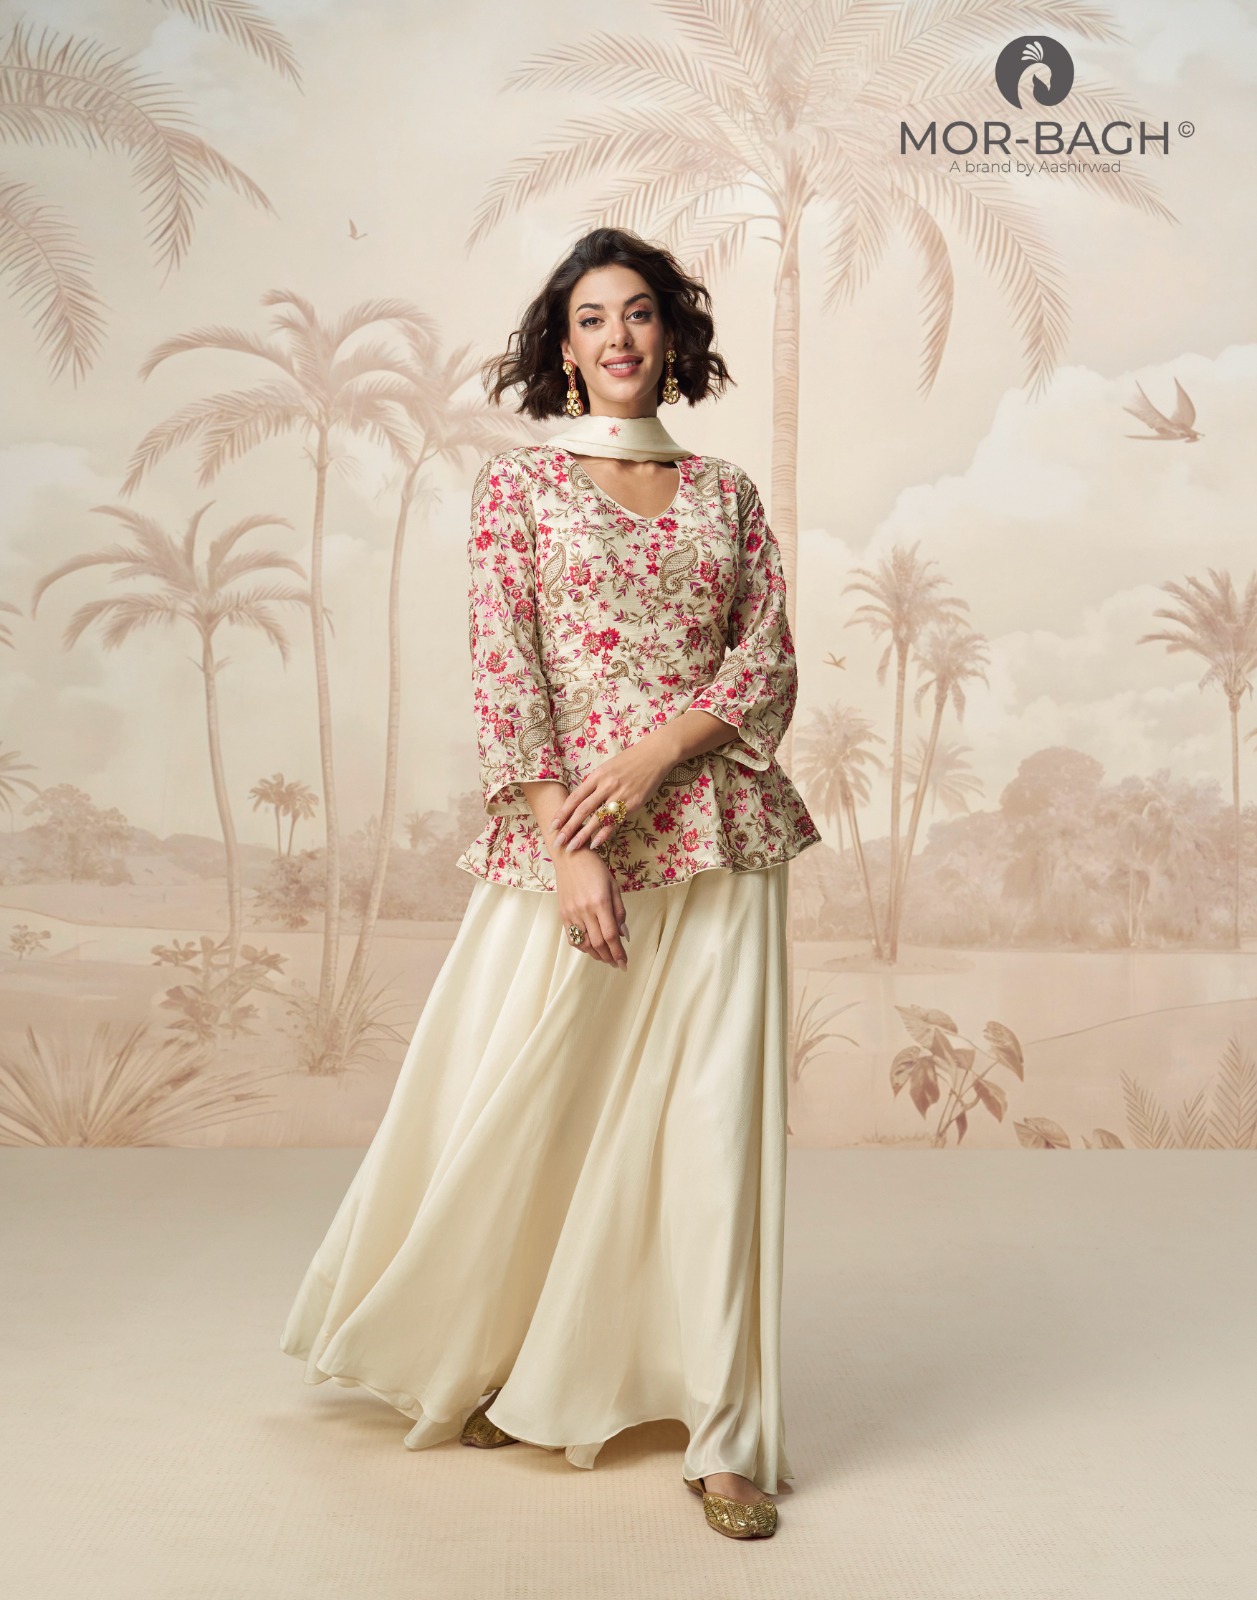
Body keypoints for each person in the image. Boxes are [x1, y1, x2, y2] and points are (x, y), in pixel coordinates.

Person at [279, 226, 821, 1542]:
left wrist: (656, 751)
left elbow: (766, 666)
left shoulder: (725, 493)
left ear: (671, 335)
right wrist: (569, 847)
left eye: (638, 313)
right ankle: (494, 1361)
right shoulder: (518, 491)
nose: (618, 337)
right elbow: (505, 671)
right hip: (570, 843)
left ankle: (727, 1437)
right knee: (527, 1109)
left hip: (722, 837)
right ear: (562, 349)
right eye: (591, 319)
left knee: (717, 1129)